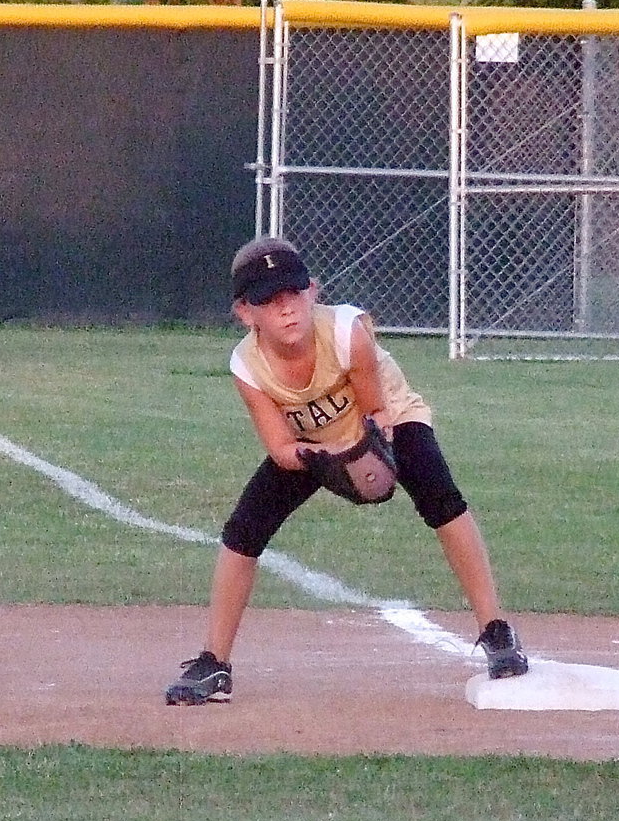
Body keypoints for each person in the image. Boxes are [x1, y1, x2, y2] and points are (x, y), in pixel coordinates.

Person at [166, 236, 528, 704]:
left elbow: (375, 411)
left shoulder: (346, 331)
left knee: (442, 501)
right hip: (313, 446)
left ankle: (496, 630)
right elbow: (279, 446)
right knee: (244, 529)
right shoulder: (247, 366)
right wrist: (316, 462)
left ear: (313, 291)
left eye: (293, 294)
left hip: (388, 421)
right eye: (268, 301)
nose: (286, 310)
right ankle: (214, 662)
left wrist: (365, 456)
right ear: (245, 313)